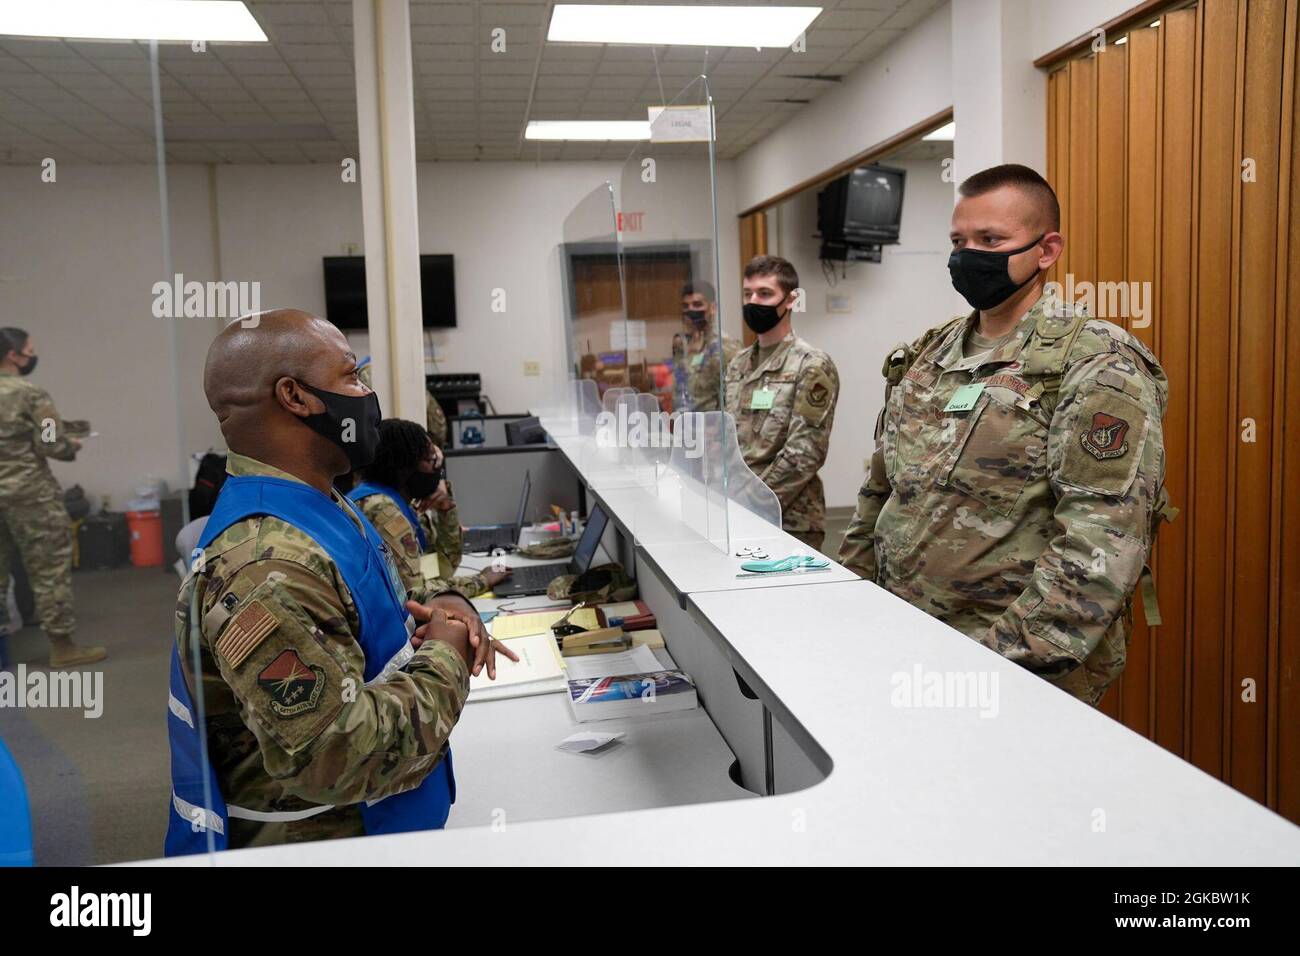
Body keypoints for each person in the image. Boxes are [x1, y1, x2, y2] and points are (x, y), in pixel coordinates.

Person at [165, 309, 515, 854]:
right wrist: (447, 653)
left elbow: (373, 609)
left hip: (381, 829)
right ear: (295, 397)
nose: (367, 395)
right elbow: (337, 756)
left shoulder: (323, 506)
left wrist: (442, 603)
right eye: (351, 376)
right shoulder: (266, 563)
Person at [837, 164, 1173, 706]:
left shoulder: (1095, 363)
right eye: (959, 241)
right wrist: (851, 610)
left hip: (1013, 667)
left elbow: (1100, 543)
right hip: (904, 645)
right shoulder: (925, 356)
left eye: (991, 240)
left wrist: (993, 670)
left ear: (1046, 250)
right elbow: (880, 496)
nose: (968, 256)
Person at [0, 327, 105, 667]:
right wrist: (70, 446)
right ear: (13, 356)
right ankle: (63, 647)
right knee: (48, 570)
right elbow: (49, 442)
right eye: (29, 350)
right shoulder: (31, 394)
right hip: (29, 495)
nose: (32, 355)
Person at [723, 256, 840, 552]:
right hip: (736, 509)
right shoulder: (738, 364)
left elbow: (806, 452)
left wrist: (753, 500)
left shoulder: (811, 364)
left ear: (790, 300)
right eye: (747, 293)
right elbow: (728, 439)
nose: (753, 301)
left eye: (764, 293)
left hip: (789, 518)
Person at [349, 418, 510, 597]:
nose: (437, 470)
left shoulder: (399, 502)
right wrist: (482, 580)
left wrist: (446, 510)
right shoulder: (383, 511)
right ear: (405, 468)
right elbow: (414, 594)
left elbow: (444, 567)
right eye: (430, 460)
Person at [670, 279, 741, 414]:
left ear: (712, 308)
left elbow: (734, 398)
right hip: (683, 426)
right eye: (685, 306)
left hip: (711, 428)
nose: (690, 310)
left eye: (697, 305)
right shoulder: (681, 346)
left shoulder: (726, 348)